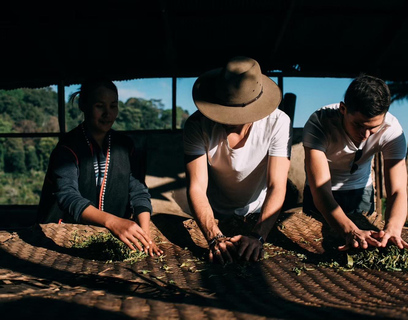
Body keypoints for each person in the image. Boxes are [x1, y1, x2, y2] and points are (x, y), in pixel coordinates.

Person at [183, 56, 292, 264]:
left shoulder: (278, 123)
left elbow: (277, 184)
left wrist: (259, 235)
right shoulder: (197, 125)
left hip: (259, 211)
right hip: (213, 212)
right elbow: (196, 187)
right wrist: (214, 235)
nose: (227, 120)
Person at [38, 77, 162, 257]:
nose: (108, 113)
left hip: (110, 238)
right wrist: (113, 222)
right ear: (83, 105)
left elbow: (138, 191)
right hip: (66, 235)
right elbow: (67, 195)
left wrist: (145, 234)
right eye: (99, 106)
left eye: (113, 106)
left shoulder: (125, 146)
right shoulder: (68, 147)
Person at [302, 74, 408, 253]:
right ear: (343, 109)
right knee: (315, 246)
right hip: (321, 194)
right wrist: (350, 230)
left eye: (373, 128)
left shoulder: (392, 131)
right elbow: (320, 189)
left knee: (364, 248)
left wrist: (393, 228)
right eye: (358, 125)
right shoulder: (319, 123)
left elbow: (397, 190)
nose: (365, 135)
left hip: (360, 192)